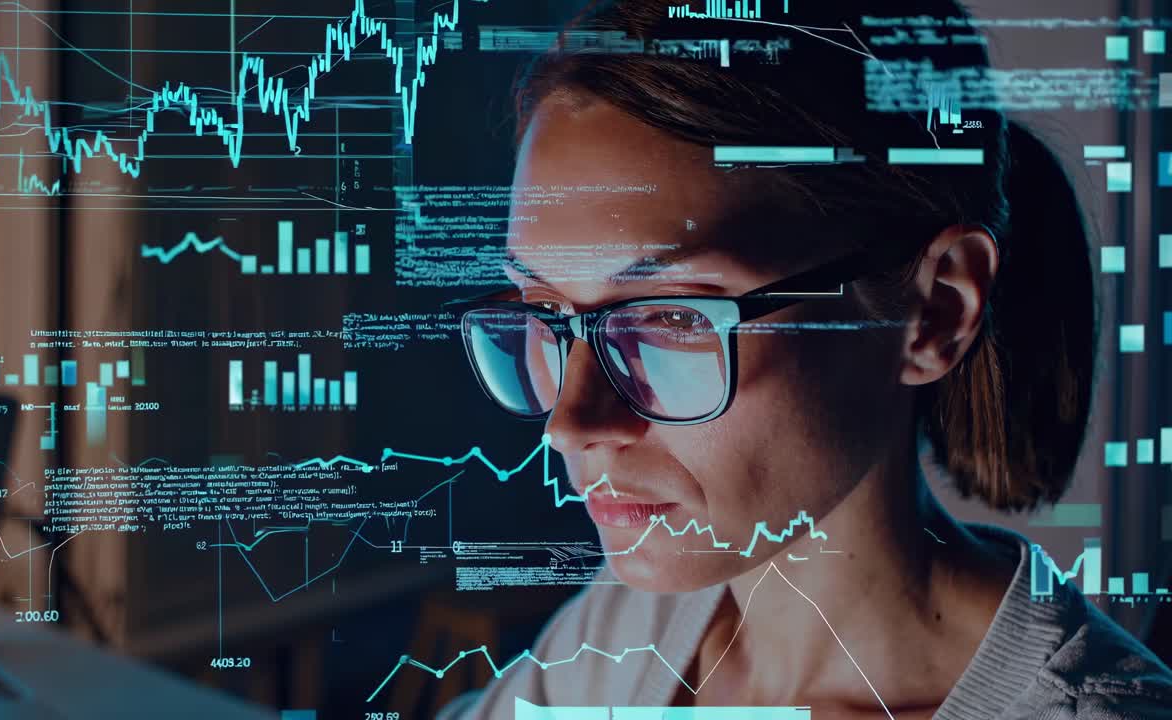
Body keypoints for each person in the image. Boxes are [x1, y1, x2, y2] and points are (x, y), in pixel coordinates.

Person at [438, 0, 1172, 716]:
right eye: (548, 311)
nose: (569, 423)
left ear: (932, 312)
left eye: (670, 316)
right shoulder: (624, 634)